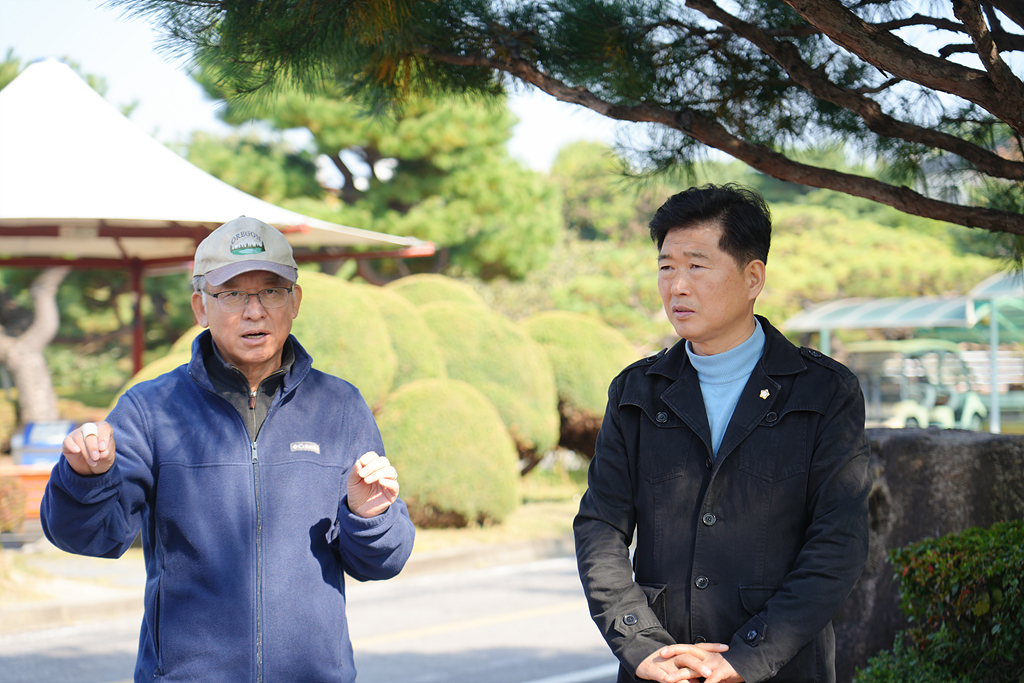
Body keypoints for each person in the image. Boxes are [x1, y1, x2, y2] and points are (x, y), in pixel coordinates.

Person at [41, 216, 415, 683]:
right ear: (200, 307)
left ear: (295, 301)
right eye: (232, 294)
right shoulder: (151, 408)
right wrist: (86, 478)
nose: (254, 310)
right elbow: (91, 537)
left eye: (271, 291)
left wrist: (371, 516)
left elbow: (382, 562)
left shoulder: (339, 406)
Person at [574, 184, 870, 683]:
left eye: (697, 265)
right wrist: (641, 645)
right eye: (666, 267)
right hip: (662, 671)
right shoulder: (635, 392)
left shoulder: (824, 392)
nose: (677, 286)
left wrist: (746, 656)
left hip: (782, 669)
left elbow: (837, 545)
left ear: (753, 277)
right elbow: (600, 528)